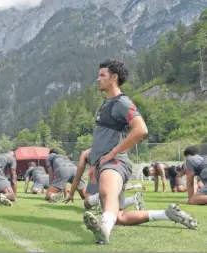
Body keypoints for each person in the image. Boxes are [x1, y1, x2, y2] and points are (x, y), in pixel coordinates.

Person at [82, 59, 199, 245]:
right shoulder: (106, 104)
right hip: (103, 163)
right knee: (117, 216)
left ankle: (103, 230)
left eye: (102, 75)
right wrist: (94, 164)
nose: (98, 79)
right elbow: (101, 140)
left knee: (106, 192)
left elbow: (141, 130)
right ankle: (166, 214)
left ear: (114, 77)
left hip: (115, 162)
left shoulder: (122, 102)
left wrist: (112, 154)